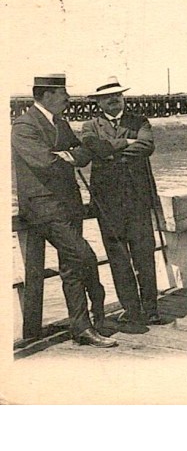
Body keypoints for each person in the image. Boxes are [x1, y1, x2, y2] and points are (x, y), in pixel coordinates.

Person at [11, 74, 117, 347]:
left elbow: (83, 153)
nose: (68, 98)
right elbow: (45, 163)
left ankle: (83, 327)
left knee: (72, 267)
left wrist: (68, 156)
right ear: (46, 95)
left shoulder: (61, 122)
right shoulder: (24, 126)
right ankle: (96, 316)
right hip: (42, 207)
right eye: (62, 93)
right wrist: (66, 156)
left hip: (69, 203)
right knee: (85, 255)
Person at [81, 76, 169, 329]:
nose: (113, 100)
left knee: (144, 256)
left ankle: (151, 309)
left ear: (123, 97)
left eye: (117, 95)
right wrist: (125, 144)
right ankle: (131, 310)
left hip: (138, 200)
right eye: (107, 97)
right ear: (98, 102)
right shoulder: (90, 126)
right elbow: (92, 148)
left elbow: (147, 146)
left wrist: (110, 151)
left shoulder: (139, 121)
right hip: (107, 205)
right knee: (119, 259)